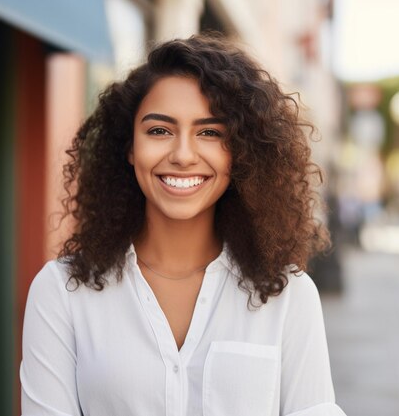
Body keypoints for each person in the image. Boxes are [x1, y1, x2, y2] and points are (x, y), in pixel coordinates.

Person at [20, 34, 346, 416]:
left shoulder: (289, 296)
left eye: (210, 133)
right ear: (129, 147)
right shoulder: (61, 293)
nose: (183, 155)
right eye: (159, 131)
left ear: (239, 152)